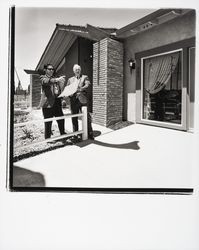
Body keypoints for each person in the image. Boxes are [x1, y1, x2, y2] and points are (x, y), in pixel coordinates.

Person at [39, 64, 66, 139]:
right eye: (49, 69)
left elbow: (58, 90)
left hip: (57, 102)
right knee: (48, 122)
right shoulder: (43, 77)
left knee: (61, 119)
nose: (51, 70)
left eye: (52, 69)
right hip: (48, 104)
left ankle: (63, 134)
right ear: (46, 70)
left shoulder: (55, 78)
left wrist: (62, 98)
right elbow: (46, 81)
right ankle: (47, 138)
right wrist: (57, 80)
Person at [66, 64, 94, 140]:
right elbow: (67, 89)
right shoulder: (70, 79)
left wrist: (80, 89)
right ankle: (76, 134)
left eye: (78, 69)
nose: (77, 70)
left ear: (80, 70)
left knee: (87, 117)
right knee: (74, 118)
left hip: (83, 100)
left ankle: (90, 133)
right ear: (73, 71)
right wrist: (69, 94)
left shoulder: (85, 77)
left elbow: (87, 85)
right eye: (76, 69)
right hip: (73, 101)